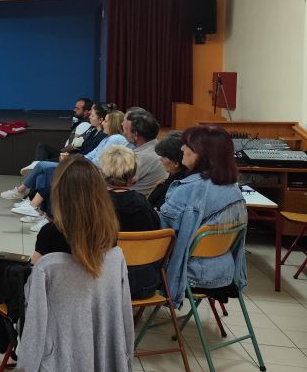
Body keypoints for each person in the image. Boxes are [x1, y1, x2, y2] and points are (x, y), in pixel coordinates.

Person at [0, 155, 120, 366]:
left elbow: (35, 272)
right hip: (89, 300)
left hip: (49, 299)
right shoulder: (109, 231)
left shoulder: (53, 232)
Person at [159, 125, 247, 306]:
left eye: (187, 145)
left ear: (203, 153)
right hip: (224, 272)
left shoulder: (189, 189)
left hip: (189, 275)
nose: (182, 149)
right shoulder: (234, 189)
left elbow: (162, 238)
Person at [5, 108, 128, 228]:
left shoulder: (116, 138)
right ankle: (40, 212)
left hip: (91, 171)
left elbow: (99, 160)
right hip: (84, 165)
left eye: (106, 121)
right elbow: (92, 155)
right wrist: (74, 158)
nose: (103, 123)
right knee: (47, 172)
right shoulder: (107, 137)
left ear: (113, 124)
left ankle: (33, 204)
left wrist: (74, 160)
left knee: (49, 170)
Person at [98, 145, 161, 299]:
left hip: (101, 285)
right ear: (133, 177)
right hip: (144, 285)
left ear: (100, 174)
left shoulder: (93, 207)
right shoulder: (147, 208)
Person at [28, 98, 94, 164]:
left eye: (77, 108)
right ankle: (38, 165)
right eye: (75, 107)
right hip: (66, 154)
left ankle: (37, 165)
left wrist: (62, 152)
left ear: (86, 112)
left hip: (70, 158)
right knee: (42, 147)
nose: (74, 110)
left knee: (41, 163)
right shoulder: (81, 122)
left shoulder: (85, 125)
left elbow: (73, 146)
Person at [123, 107, 166, 196]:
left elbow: (115, 182)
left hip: (133, 201)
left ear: (136, 134)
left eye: (126, 129)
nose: (124, 133)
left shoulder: (142, 157)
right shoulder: (156, 147)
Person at [148, 131, 188, 209]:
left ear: (175, 163)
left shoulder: (175, 189)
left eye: (163, 156)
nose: (160, 159)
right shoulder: (175, 177)